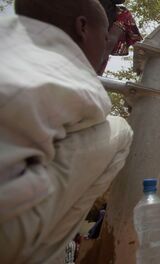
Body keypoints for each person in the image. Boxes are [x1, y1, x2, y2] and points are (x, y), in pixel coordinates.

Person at [0, 0, 133, 263]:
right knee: (118, 131)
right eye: (104, 38)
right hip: (7, 227)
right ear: (82, 27)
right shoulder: (67, 69)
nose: (106, 53)